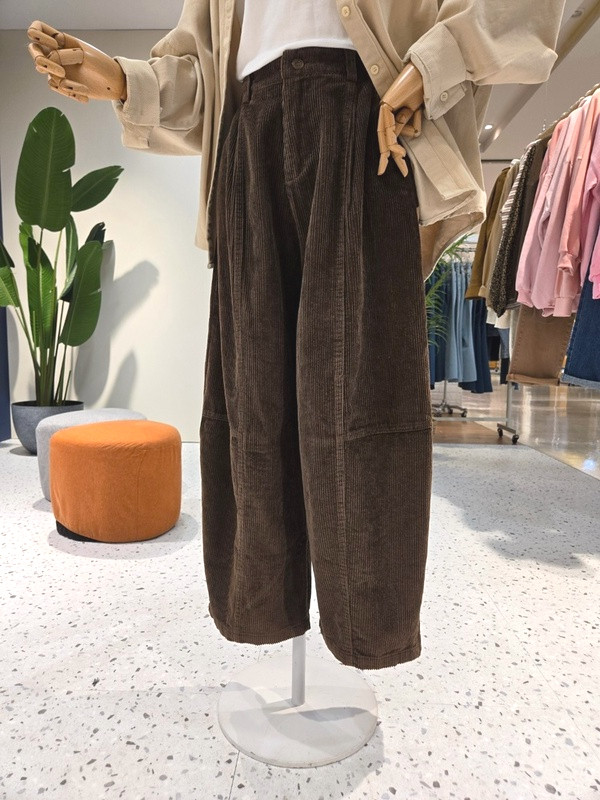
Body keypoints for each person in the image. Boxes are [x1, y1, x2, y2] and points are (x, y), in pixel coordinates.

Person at [28, 0, 565, 670]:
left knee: (362, 398)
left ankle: (369, 628)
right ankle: (262, 609)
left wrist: (432, 66)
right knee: (251, 399)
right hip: (246, 137)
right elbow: (204, 75)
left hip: (368, 118)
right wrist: (122, 79)